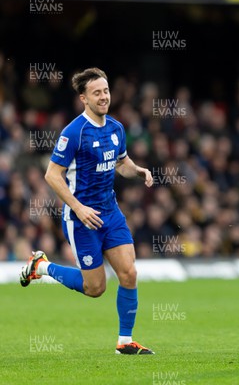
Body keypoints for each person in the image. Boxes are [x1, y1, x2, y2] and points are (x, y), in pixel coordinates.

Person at [20, 67, 155, 355]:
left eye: (106, 91)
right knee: (95, 288)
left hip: (111, 212)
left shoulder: (116, 128)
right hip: (82, 218)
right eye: (97, 93)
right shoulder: (74, 133)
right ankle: (41, 267)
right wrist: (78, 208)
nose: (104, 97)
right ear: (84, 98)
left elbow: (121, 162)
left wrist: (139, 170)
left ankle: (125, 342)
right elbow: (51, 175)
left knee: (129, 273)